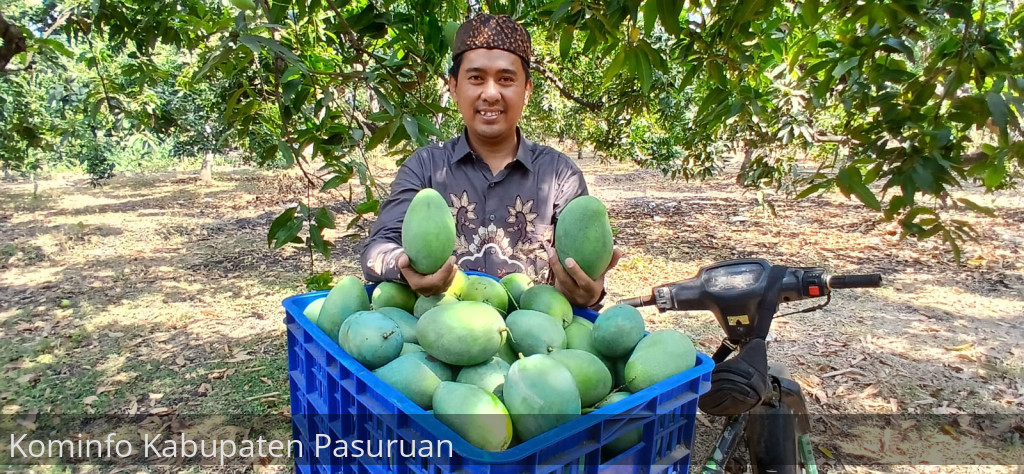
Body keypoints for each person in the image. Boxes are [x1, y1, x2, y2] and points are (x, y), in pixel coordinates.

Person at [359, 13, 621, 308]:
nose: (491, 93)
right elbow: (376, 251)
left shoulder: (560, 175)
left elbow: (584, 266)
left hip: (537, 341)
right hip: (442, 337)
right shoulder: (425, 169)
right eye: (476, 78)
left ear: (527, 91)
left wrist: (589, 292)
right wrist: (401, 265)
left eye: (506, 79)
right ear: (454, 88)